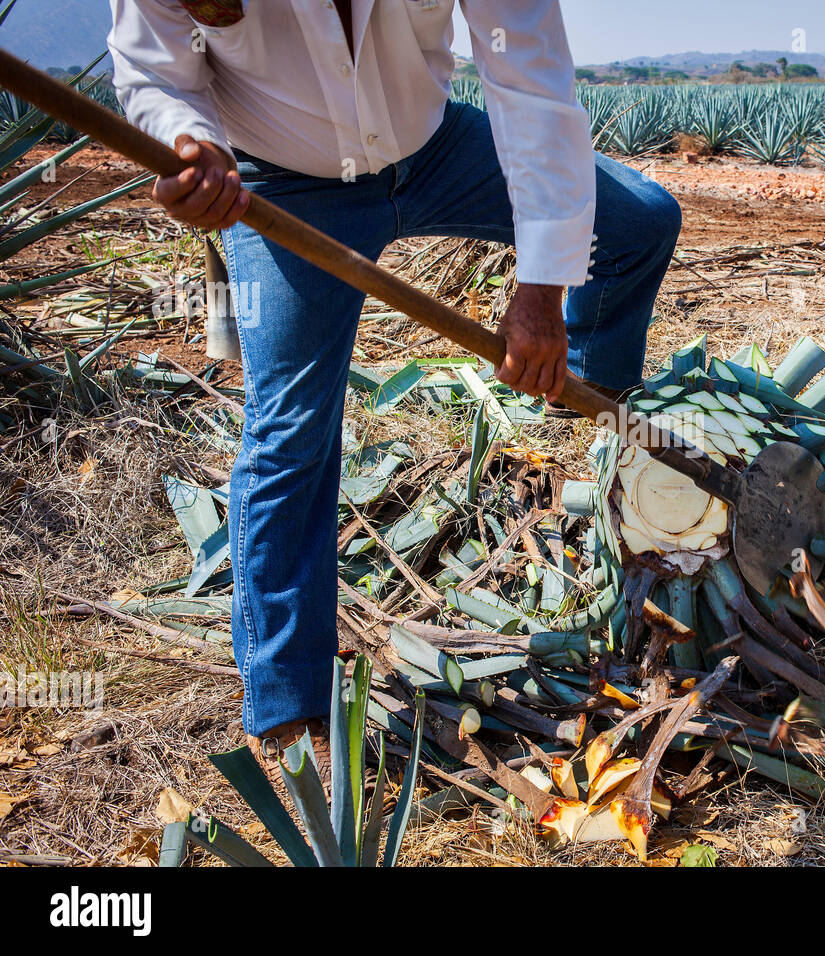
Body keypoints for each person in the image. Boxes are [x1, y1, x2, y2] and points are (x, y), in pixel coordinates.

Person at [108, 0, 681, 775]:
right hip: (282, 184)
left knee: (639, 221)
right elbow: (153, 66)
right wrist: (193, 143)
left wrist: (542, 293)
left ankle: (597, 420)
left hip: (435, 150)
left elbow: (530, 83)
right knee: (292, 435)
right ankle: (288, 707)